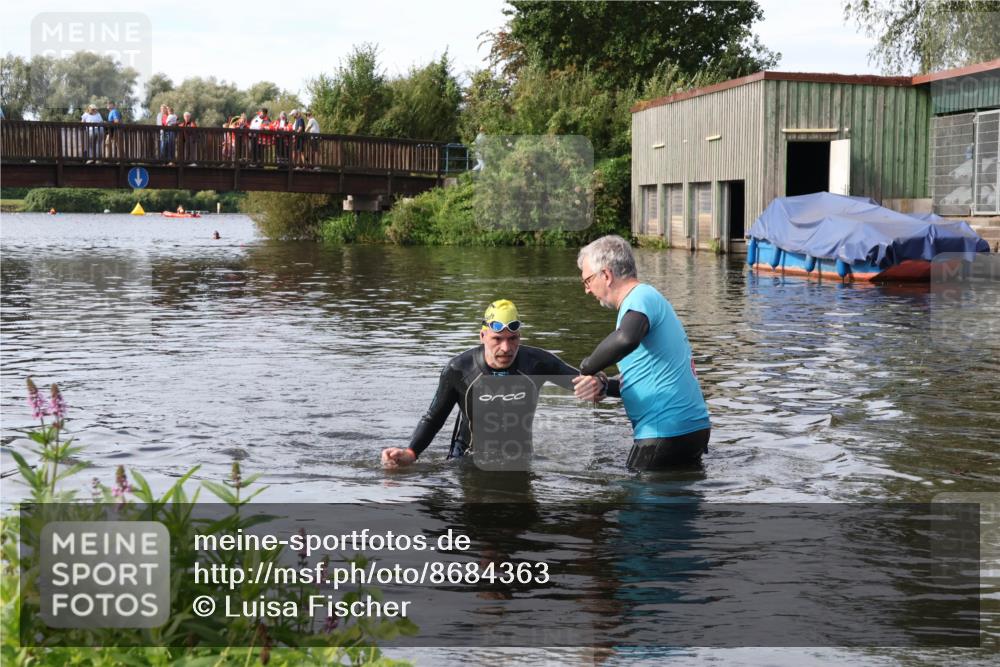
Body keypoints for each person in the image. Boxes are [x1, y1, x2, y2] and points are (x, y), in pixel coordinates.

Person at [381, 299, 600, 469]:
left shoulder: (536, 363)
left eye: (512, 338)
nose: (506, 348)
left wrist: (598, 383)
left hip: (519, 459)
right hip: (467, 460)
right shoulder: (459, 369)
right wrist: (410, 453)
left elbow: (584, 382)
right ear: (483, 336)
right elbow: (433, 418)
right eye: (497, 339)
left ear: (519, 337)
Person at [572, 235, 711, 469]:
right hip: (688, 429)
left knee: (638, 502)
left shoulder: (640, 297)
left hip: (663, 431)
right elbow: (645, 377)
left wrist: (587, 367)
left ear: (606, 275)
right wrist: (604, 385)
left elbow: (626, 339)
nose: (587, 290)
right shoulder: (643, 302)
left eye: (587, 281)